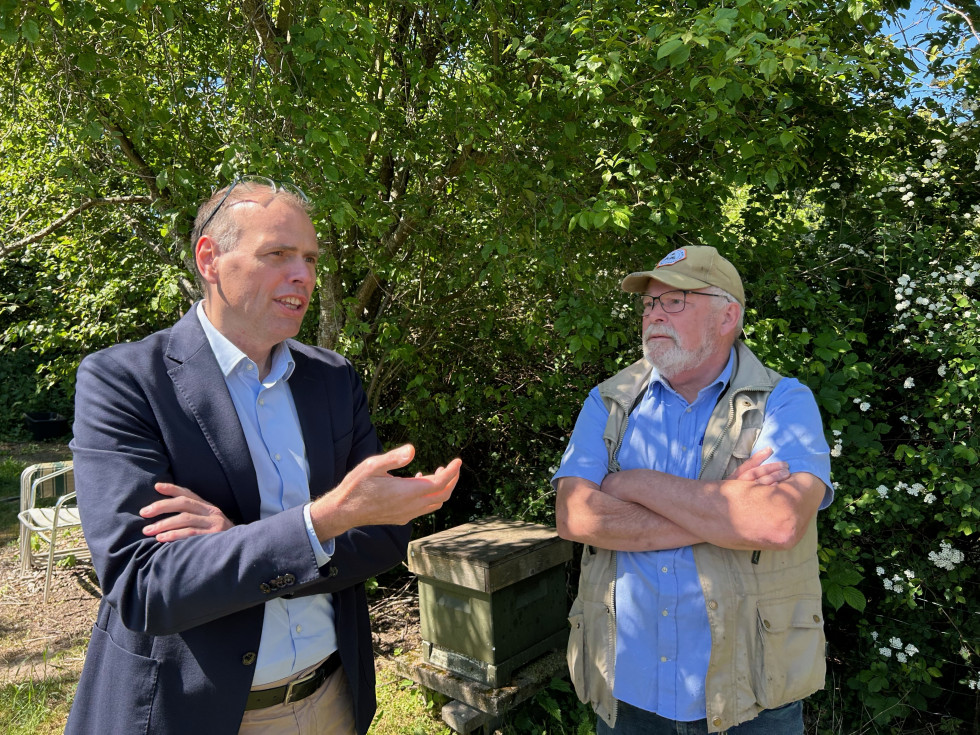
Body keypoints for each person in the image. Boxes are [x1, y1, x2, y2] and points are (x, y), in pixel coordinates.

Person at [66, 177, 462, 735]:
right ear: (211, 258)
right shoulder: (125, 382)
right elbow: (144, 586)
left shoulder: (332, 378)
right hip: (195, 715)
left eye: (309, 258)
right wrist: (321, 525)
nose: (303, 274)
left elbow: (381, 539)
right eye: (277, 254)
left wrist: (237, 540)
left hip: (332, 700)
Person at [554, 245, 832, 734]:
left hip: (750, 697)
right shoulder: (610, 402)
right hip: (629, 694)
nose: (654, 315)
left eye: (675, 301)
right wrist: (724, 509)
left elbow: (776, 521)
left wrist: (631, 483)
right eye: (649, 305)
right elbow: (575, 517)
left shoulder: (785, 402)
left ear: (729, 316)